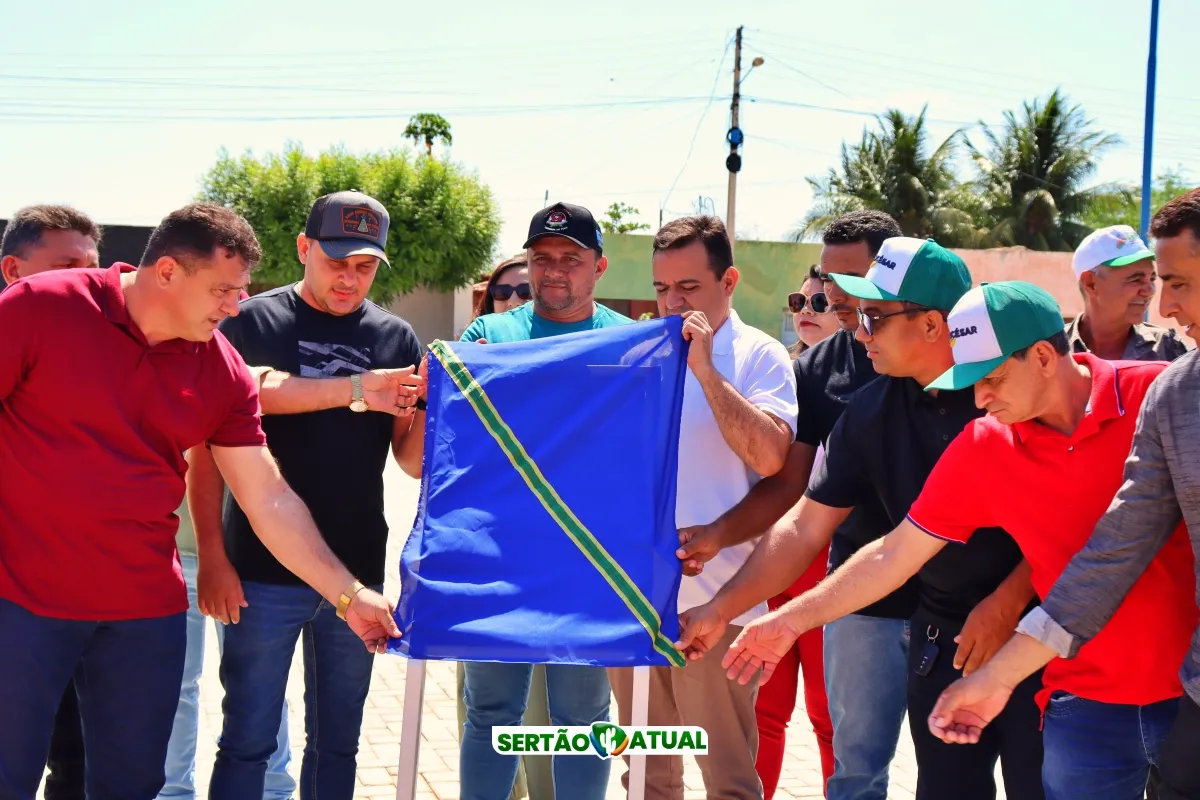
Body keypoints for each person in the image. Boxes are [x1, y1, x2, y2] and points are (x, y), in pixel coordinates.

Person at [720, 281, 1197, 800]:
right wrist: (790, 620)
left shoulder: (1158, 394)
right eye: (970, 381)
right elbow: (893, 553)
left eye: (991, 378)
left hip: (1189, 696)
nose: (980, 399)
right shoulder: (985, 445)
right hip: (1084, 709)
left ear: (1042, 356)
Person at [0, 202, 401, 800]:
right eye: (223, 290)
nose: (235, 306)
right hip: (21, 603)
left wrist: (349, 594)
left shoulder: (222, 370)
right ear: (167, 271)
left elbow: (267, 497)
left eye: (241, 291)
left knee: (132, 785)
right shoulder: (40, 306)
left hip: (140, 616)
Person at [679, 238, 1045, 800]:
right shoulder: (872, 410)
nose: (858, 331)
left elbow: (1078, 528)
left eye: (874, 316)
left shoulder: (1007, 393)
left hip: (1039, 634)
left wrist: (1008, 602)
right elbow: (807, 527)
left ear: (932, 325)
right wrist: (719, 609)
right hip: (943, 634)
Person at [927, 189, 1200, 800]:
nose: (1165, 305)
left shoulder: (1151, 382)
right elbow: (1111, 556)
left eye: (1176, 282)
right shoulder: (1178, 394)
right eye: (1156, 282)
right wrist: (999, 677)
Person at [181, 191, 423, 800]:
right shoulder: (248, 322)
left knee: (338, 744)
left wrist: (435, 402)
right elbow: (207, 454)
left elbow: (410, 459)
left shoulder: (396, 337)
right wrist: (213, 556)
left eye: (364, 266)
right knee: (247, 741)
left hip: (357, 570)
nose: (349, 279)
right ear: (303, 249)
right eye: (336, 261)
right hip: (259, 574)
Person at [674, 210, 914, 800]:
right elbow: (791, 493)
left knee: (952, 759)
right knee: (843, 753)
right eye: (826, 279)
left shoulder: (959, 363)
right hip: (842, 582)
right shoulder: (816, 367)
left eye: (849, 278)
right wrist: (719, 540)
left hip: (951, 596)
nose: (833, 294)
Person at [404, 201, 626, 800]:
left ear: (599, 266)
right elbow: (449, 449)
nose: (554, 270)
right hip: (499, 556)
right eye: (542, 257)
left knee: (584, 716)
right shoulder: (488, 337)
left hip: (588, 557)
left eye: (570, 258)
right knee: (491, 712)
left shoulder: (629, 343)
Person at [605, 215, 796, 800]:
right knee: (646, 778)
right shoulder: (637, 355)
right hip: (636, 602)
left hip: (719, 609)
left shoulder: (760, 356)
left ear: (728, 281)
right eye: (662, 288)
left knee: (729, 781)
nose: (672, 302)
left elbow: (770, 458)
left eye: (688, 287)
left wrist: (706, 370)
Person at [0, 205, 102, 800]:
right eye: (67, 266)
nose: (85, 281)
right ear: (14, 271)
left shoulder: (115, 350)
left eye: (92, 266)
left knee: (78, 759)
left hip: (88, 599)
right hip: (14, 598)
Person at [457, 250, 552, 800]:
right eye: (504, 292)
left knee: (557, 716)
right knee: (488, 710)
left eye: (525, 292)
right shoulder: (473, 350)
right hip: (491, 563)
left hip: (564, 566)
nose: (515, 300)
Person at [754, 264, 838, 799]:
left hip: (833, 577)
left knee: (831, 719)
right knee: (763, 712)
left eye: (819, 303)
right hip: (769, 568)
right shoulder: (775, 378)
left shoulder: (871, 383)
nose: (805, 311)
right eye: (798, 301)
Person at [1064, 224, 1187, 361]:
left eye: (1152, 279)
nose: (1149, 291)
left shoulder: (1167, 348)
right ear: (1091, 284)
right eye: (1135, 279)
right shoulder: (1053, 350)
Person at [788, 264, 840, 354]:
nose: (805, 310)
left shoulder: (864, 361)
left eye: (820, 301)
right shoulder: (786, 362)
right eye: (800, 300)